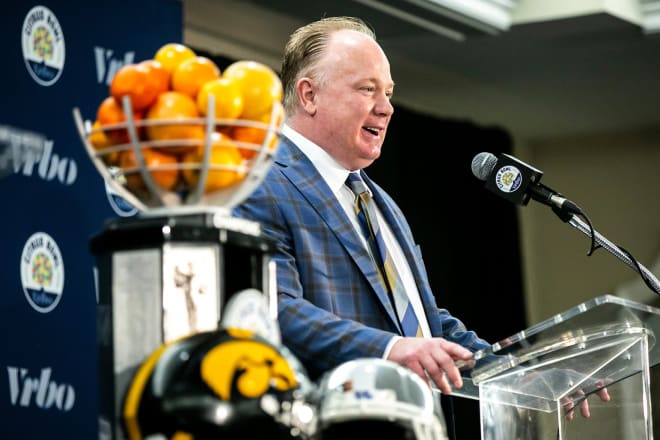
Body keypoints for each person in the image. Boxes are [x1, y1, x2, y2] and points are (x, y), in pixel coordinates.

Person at [232, 15, 608, 418]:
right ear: (309, 95)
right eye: (367, 89)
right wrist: (389, 349)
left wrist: (519, 374)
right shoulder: (259, 180)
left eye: (388, 93)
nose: (386, 108)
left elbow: (424, 326)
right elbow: (271, 308)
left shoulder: (380, 203)